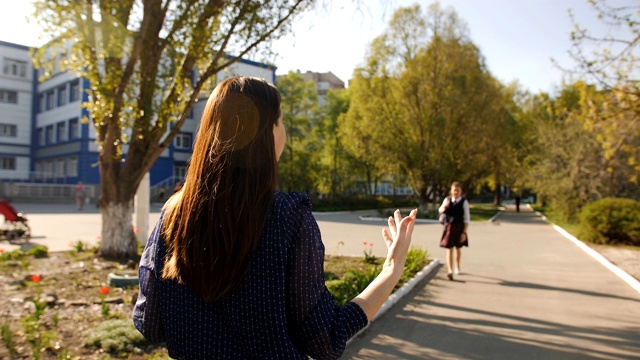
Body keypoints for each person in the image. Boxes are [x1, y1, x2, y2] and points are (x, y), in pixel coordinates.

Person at [132, 76, 417, 359]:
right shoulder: (289, 218)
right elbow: (326, 342)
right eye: (280, 121)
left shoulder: (173, 214)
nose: (284, 131)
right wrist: (391, 270)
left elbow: (150, 322)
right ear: (265, 133)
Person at [438, 181, 470, 280]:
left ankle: (457, 266)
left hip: (459, 227)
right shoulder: (447, 200)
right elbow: (440, 210)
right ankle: (450, 270)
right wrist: (444, 207)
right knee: (449, 248)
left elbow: (467, 218)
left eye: (458, 190)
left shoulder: (464, 202)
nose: (456, 192)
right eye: (454, 190)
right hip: (449, 227)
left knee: (458, 248)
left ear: (461, 191)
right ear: (451, 191)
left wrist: (464, 232)